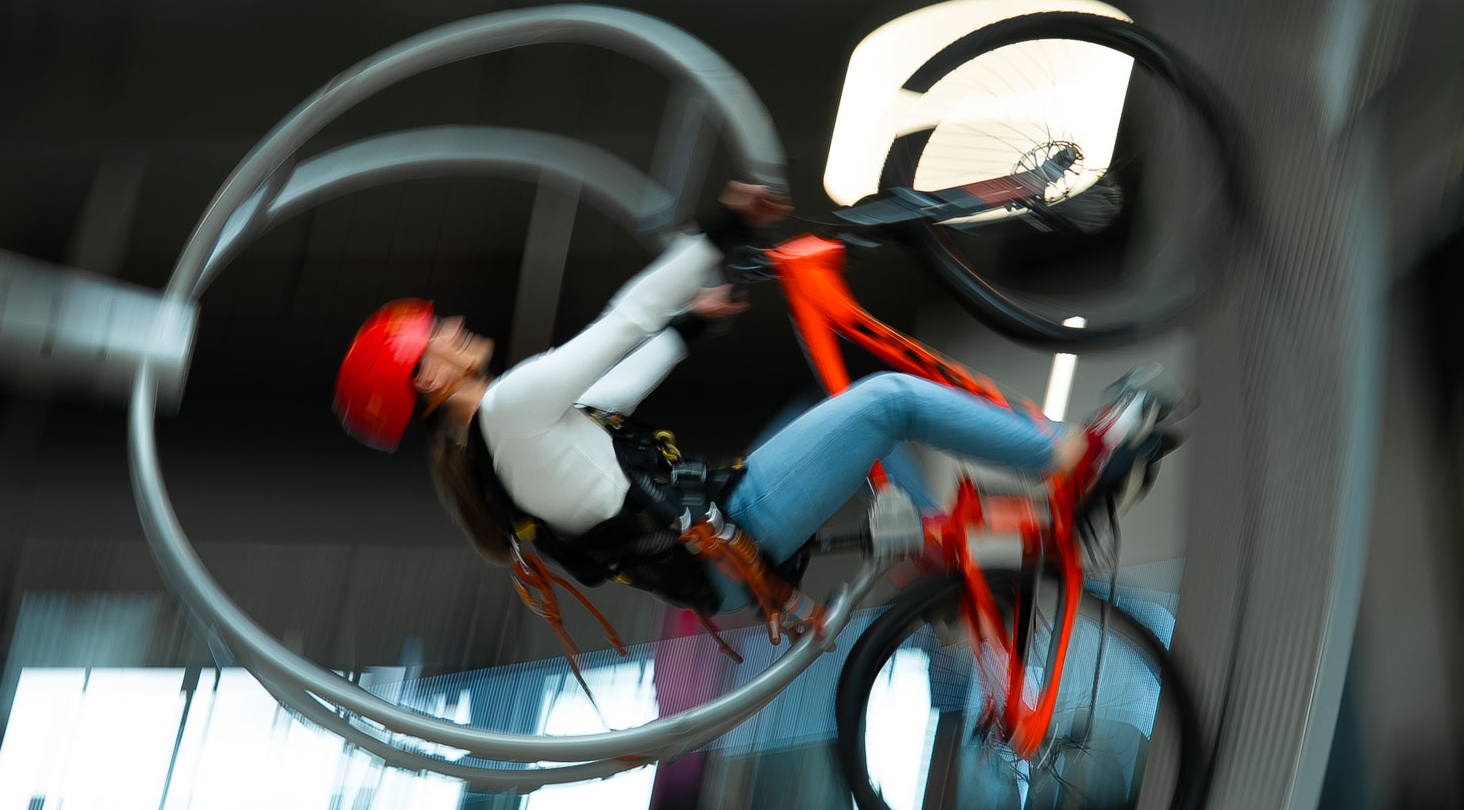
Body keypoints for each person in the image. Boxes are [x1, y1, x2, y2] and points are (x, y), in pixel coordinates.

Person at [332, 183, 1176, 621]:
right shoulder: (508, 409)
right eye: (433, 336)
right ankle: (1079, 457)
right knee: (886, 400)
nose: (451, 326)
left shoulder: (502, 448)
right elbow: (624, 321)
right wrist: (720, 229)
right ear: (428, 381)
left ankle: (950, 575)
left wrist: (693, 326)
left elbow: (612, 389)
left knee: (829, 404)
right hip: (735, 532)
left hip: (720, 552)